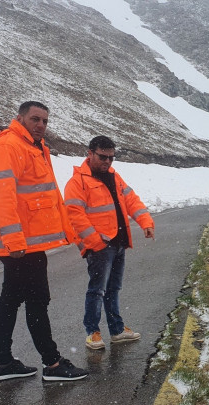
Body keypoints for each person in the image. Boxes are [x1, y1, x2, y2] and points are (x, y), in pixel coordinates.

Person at [0, 101, 88, 382]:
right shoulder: (8, 147)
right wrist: (14, 241)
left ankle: (2, 363)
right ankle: (51, 364)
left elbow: (48, 196)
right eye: (35, 119)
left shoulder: (34, 148)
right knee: (36, 300)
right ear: (20, 118)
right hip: (21, 246)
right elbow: (3, 198)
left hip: (28, 245)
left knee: (12, 299)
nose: (40, 125)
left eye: (45, 121)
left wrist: (70, 234)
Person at [64, 136, 155, 350]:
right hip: (100, 247)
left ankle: (116, 330)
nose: (107, 162)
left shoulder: (115, 177)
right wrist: (95, 242)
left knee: (113, 288)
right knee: (97, 290)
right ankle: (92, 333)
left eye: (111, 158)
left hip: (119, 243)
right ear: (90, 153)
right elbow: (74, 215)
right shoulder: (78, 182)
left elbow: (132, 201)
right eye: (102, 157)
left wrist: (145, 222)